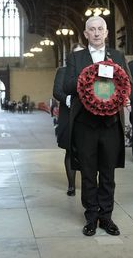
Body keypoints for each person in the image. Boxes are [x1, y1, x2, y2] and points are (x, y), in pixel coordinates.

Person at [63, 16, 131, 237]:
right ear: (85, 34)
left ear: (107, 32)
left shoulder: (118, 56)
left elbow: (128, 85)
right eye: (91, 29)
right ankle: (91, 216)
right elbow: (66, 85)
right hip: (85, 124)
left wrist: (125, 97)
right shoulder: (76, 58)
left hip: (110, 124)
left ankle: (106, 216)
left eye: (100, 29)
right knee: (89, 173)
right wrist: (88, 76)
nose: (96, 33)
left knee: (108, 173)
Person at [52, 43, 85, 196]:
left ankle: (88, 183)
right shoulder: (63, 71)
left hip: (87, 116)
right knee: (70, 151)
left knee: (88, 152)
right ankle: (71, 185)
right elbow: (57, 91)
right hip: (69, 115)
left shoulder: (91, 72)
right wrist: (69, 100)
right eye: (76, 54)